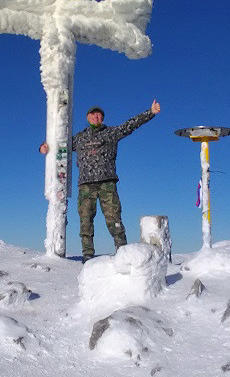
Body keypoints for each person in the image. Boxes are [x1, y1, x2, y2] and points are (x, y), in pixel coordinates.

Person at [39, 100, 161, 262]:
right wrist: (44, 146)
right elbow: (60, 144)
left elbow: (130, 125)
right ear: (88, 117)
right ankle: (87, 254)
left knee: (114, 219)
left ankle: (122, 251)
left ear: (102, 118)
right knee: (85, 220)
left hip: (107, 183)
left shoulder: (111, 133)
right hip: (85, 185)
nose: (96, 117)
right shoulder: (79, 138)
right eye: (93, 114)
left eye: (99, 114)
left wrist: (150, 112)